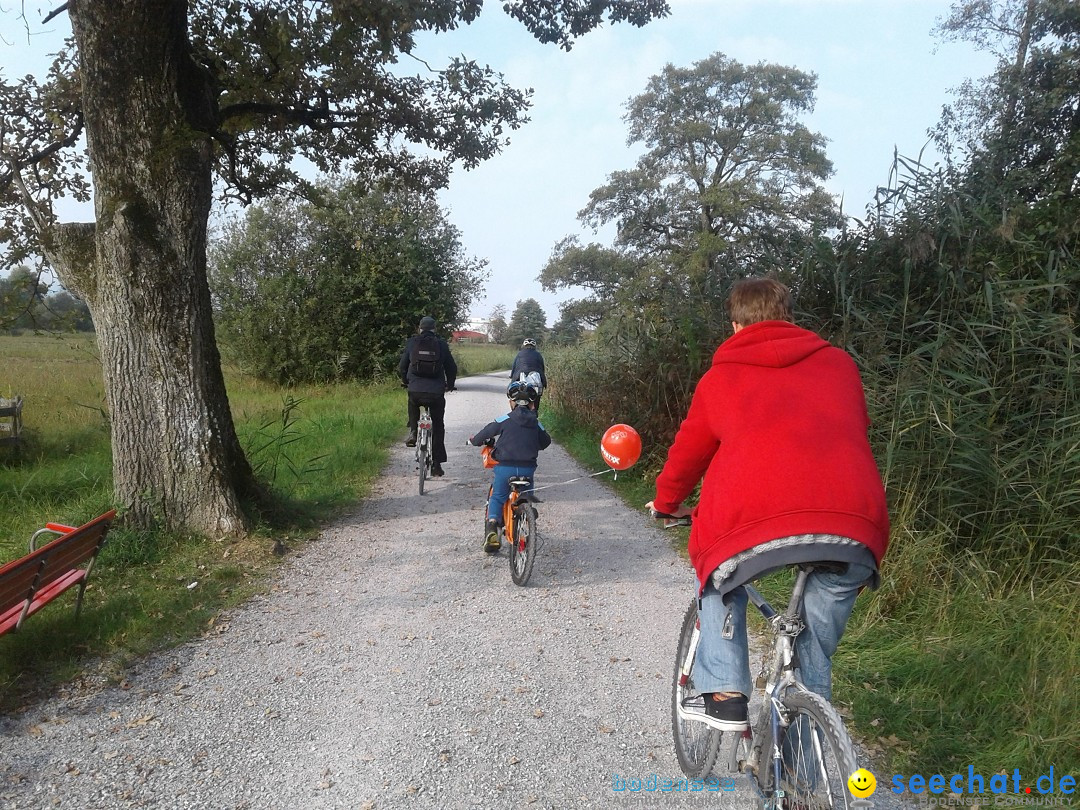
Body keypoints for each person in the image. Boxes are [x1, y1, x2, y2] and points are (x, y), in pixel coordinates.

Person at [647, 277, 889, 731]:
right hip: (854, 524)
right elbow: (854, 427)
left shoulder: (720, 377)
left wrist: (667, 503)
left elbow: (688, 454)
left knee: (719, 579)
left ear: (735, 325)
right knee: (811, 654)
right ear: (790, 317)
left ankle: (724, 694)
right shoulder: (839, 364)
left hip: (752, 523)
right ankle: (803, 777)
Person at [468, 376, 551, 553]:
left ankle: (492, 528)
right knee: (526, 494)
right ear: (532, 405)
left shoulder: (504, 418)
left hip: (505, 469)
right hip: (527, 470)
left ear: (511, 403)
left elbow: (486, 432)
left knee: (498, 496)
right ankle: (527, 514)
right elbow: (546, 442)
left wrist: (475, 440)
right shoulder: (536, 423)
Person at [399, 315, 457, 477]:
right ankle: (437, 464)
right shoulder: (441, 344)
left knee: (412, 402)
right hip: (436, 392)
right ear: (434, 329)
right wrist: (450, 384)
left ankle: (413, 432)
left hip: (416, 389)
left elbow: (402, 366)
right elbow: (451, 367)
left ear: (420, 328)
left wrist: (405, 381)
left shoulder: (412, 342)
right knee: (438, 426)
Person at [510, 338, 547, 412]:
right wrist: (544, 381)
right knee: (537, 396)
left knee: (511, 393)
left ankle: (513, 411)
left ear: (524, 345)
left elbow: (514, 367)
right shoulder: (538, 355)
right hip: (536, 380)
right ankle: (535, 411)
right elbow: (542, 369)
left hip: (519, 378)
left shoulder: (519, 354)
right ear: (534, 346)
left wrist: (512, 376)